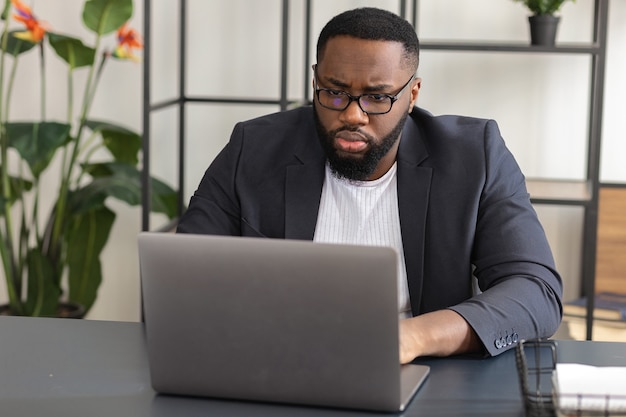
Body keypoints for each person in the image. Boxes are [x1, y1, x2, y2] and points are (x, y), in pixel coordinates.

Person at [177, 7, 563, 363]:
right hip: (274, 364)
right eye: (334, 92)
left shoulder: (475, 156)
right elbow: (184, 275)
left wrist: (411, 338)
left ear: (412, 94)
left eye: (377, 97)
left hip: (422, 370)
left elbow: (535, 290)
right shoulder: (254, 149)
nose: (352, 115)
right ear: (315, 81)